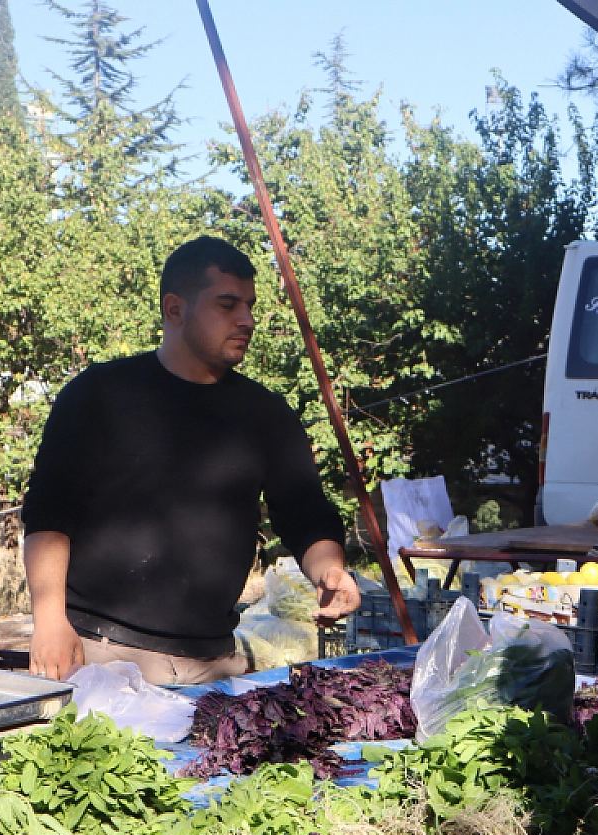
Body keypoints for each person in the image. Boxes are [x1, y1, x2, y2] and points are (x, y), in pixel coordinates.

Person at [21, 235, 361, 686]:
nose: (247, 320)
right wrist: (49, 622)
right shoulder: (100, 395)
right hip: (102, 656)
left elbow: (305, 513)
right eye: (227, 305)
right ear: (175, 309)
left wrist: (330, 571)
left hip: (216, 663)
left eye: (249, 305)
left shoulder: (265, 415)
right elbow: (49, 512)